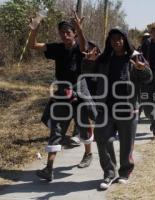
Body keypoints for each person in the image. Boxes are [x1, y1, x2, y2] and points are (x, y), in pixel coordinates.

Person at [82, 27, 152, 190]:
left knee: (127, 143)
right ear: (109, 42)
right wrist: (88, 62)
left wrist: (143, 69)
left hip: (127, 109)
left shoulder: (135, 57)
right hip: (105, 107)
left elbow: (149, 77)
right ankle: (109, 172)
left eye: (120, 38)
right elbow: (87, 74)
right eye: (113, 39)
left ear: (125, 40)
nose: (116, 41)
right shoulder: (104, 58)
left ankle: (125, 172)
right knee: (101, 138)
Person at [28, 12, 95, 181]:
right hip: (61, 93)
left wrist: (80, 29)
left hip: (79, 92)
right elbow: (33, 45)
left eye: (68, 32)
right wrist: (34, 30)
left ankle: (88, 154)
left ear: (73, 33)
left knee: (83, 125)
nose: (65, 35)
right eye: (62, 32)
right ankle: (49, 168)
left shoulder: (80, 48)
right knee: (56, 129)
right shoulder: (56, 48)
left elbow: (84, 47)